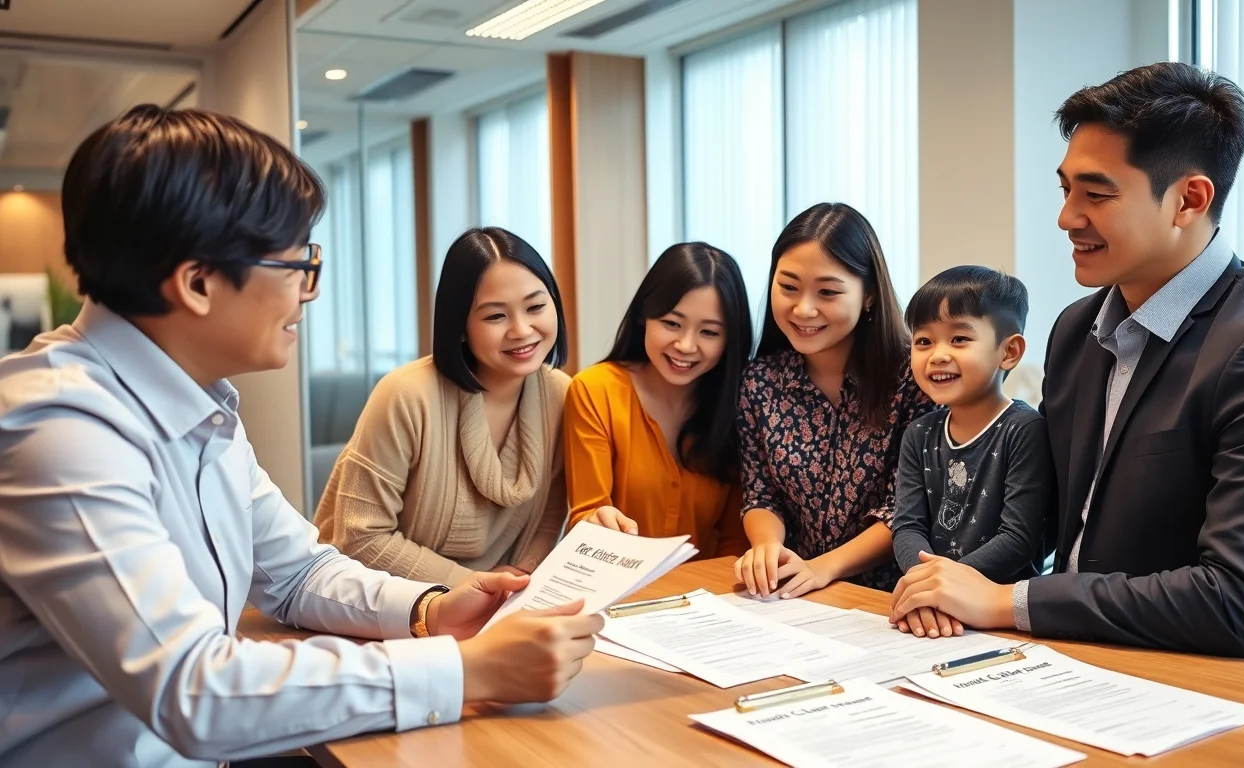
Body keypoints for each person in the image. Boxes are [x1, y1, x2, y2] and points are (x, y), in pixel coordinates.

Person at [0, 105, 602, 768]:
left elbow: (297, 573)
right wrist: (465, 671)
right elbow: (194, 690)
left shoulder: (199, 407)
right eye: (296, 266)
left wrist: (433, 611)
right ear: (197, 282)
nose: (307, 294)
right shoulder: (59, 430)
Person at [890, 62, 1244, 669]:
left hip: (1243, 685)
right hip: (1081, 656)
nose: (1067, 217)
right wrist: (938, 585)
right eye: (1066, 189)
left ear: (1189, 199)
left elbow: (1239, 603)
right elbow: (1043, 515)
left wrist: (1009, 603)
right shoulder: (1078, 329)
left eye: (1096, 194)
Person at [315, 227, 570, 587]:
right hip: (373, 603)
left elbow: (550, 515)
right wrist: (470, 584)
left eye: (536, 307)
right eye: (495, 316)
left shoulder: (561, 396)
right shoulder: (406, 395)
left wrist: (521, 576)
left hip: (497, 606)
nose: (521, 329)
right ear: (461, 326)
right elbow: (359, 538)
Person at [735, 202, 936, 598]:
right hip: (798, 594)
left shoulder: (914, 376)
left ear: (869, 296)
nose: (803, 308)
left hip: (897, 599)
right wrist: (766, 548)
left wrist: (824, 567)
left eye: (827, 291)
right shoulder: (760, 381)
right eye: (788, 286)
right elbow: (761, 494)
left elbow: (908, 508)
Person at [887, 266, 1053, 639]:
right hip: (931, 609)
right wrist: (928, 588)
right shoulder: (919, 434)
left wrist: (943, 587)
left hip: (999, 617)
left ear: (1008, 352)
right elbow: (907, 525)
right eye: (924, 341)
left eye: (959, 339)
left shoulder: (1024, 430)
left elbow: (1018, 539)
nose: (937, 355)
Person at [564, 242, 752, 557]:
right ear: (644, 316)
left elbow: (734, 541)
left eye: (709, 332)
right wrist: (596, 523)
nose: (686, 345)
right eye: (672, 324)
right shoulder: (594, 390)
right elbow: (587, 513)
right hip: (616, 591)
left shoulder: (737, 405)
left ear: (730, 339)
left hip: (707, 595)